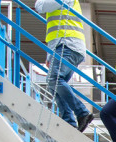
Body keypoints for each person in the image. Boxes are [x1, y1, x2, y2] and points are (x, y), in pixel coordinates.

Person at [35, 0, 94, 132]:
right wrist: (50, 55)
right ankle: (69, 121)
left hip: (67, 44)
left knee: (54, 80)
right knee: (55, 85)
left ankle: (81, 112)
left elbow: (40, 6)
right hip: (65, 45)